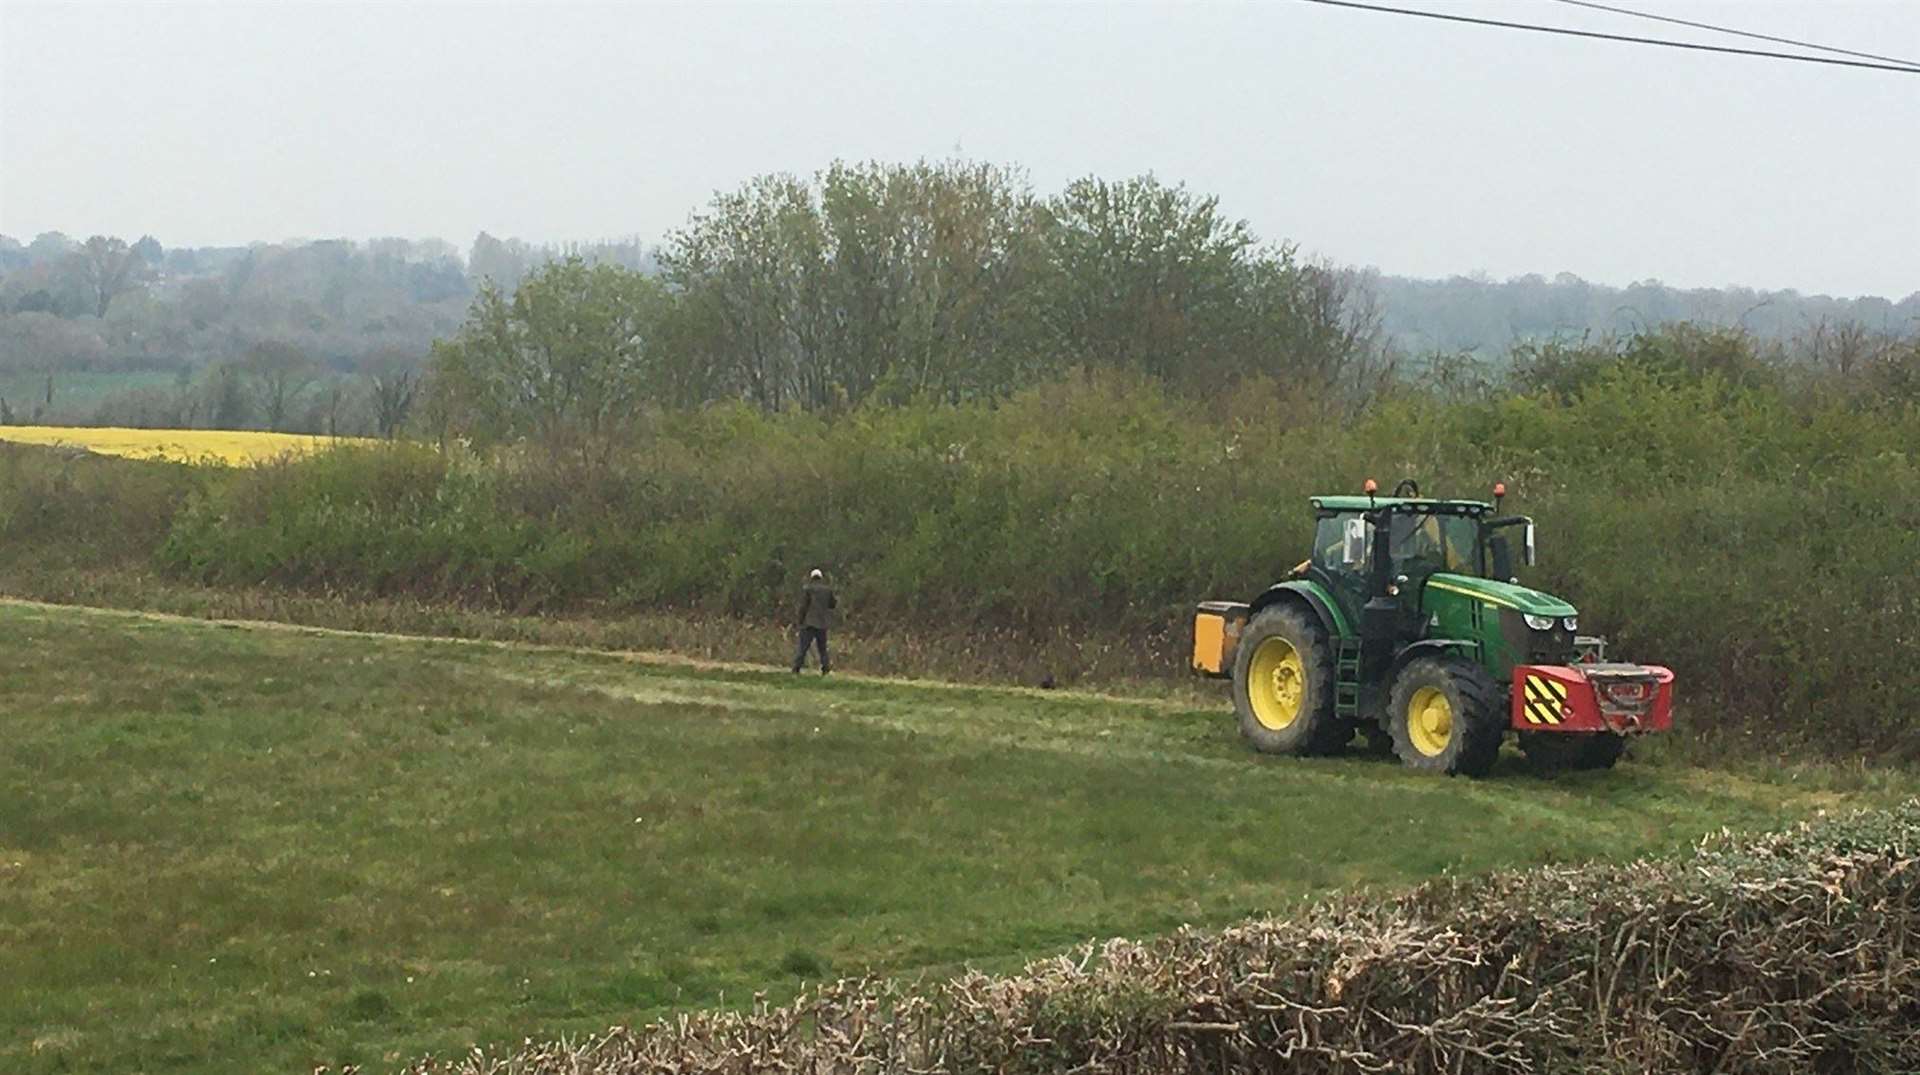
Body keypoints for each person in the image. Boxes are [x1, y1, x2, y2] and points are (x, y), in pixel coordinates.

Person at [791, 568, 836, 674]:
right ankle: (825, 669)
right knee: (822, 649)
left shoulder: (808, 589)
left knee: (803, 647)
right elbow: (833, 604)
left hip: (809, 623)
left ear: (811, 577)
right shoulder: (827, 590)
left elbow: (803, 607)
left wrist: (800, 621)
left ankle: (796, 668)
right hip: (822, 624)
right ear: (821, 578)